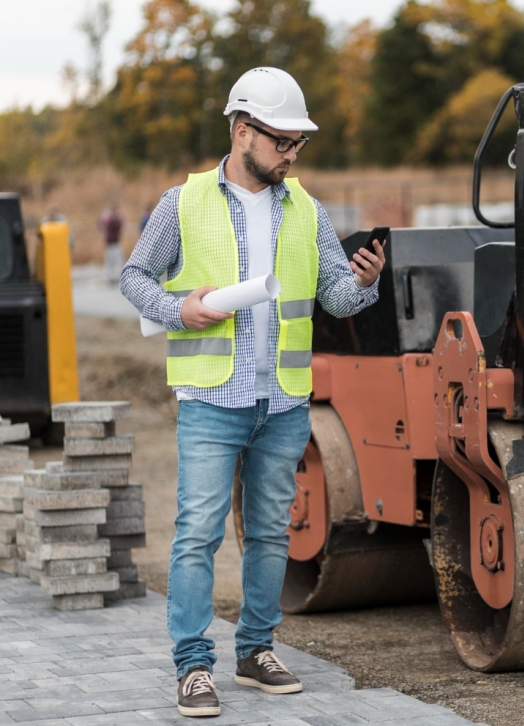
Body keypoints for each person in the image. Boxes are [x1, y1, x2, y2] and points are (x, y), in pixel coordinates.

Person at [120, 67, 386, 718]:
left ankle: (256, 649)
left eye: (299, 144)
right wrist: (180, 310)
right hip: (211, 399)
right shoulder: (182, 203)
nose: (293, 154)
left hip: (283, 402)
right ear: (243, 132)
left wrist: (366, 282)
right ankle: (192, 667)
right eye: (283, 141)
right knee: (196, 536)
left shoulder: (308, 211)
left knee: (270, 534)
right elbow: (133, 277)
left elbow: (334, 297)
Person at [98, 202, 123, 283]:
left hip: (112, 242)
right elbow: (118, 225)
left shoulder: (107, 217)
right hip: (112, 243)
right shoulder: (111, 218)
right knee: (113, 261)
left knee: (114, 261)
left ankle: (112, 276)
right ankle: (110, 276)